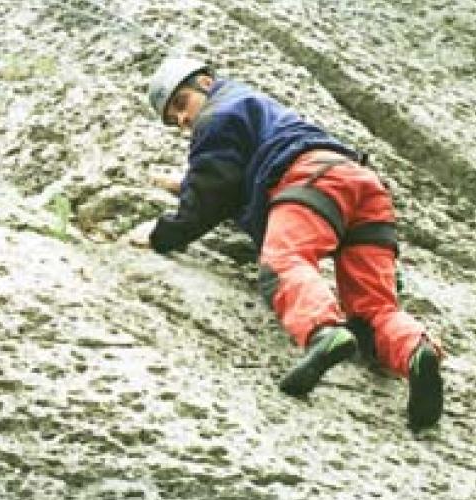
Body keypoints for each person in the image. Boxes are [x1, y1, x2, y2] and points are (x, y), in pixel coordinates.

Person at [136, 56, 444, 429]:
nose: (183, 119)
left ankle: (323, 332)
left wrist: (160, 235)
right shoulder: (248, 107)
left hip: (310, 180)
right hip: (362, 187)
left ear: (204, 82)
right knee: (373, 308)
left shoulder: (217, 115)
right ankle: (415, 350)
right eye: (174, 120)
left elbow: (212, 191)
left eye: (181, 104)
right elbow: (230, 172)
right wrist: (184, 183)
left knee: (283, 261)